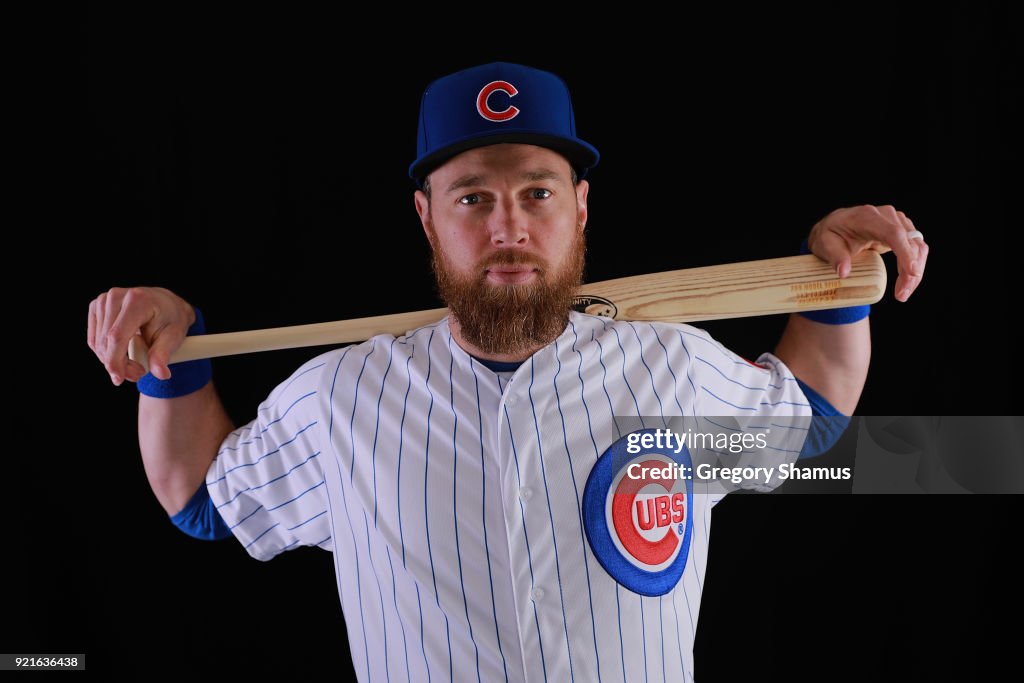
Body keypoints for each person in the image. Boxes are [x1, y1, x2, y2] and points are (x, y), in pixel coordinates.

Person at [87, 62, 928, 681]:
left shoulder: (671, 367)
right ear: (426, 217)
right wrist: (172, 352)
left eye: (538, 192)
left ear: (581, 205)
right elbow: (200, 495)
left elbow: (811, 414)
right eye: (472, 198)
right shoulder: (341, 396)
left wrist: (840, 284)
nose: (509, 227)